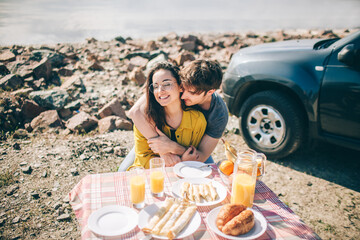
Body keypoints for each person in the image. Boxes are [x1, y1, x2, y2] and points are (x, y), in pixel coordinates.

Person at [119, 60, 228, 171]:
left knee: (208, 172)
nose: (183, 95)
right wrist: (162, 149)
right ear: (181, 84)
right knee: (122, 171)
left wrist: (173, 147)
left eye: (191, 92)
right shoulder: (183, 78)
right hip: (152, 139)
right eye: (184, 88)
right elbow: (135, 111)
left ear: (210, 92)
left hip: (194, 146)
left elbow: (201, 154)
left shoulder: (218, 114)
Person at [128, 62, 207, 170]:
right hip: (148, 173)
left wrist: (173, 148)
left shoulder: (198, 120)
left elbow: (193, 156)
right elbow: (143, 157)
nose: (160, 91)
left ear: (180, 86)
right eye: (155, 86)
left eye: (167, 84)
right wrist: (164, 161)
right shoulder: (144, 119)